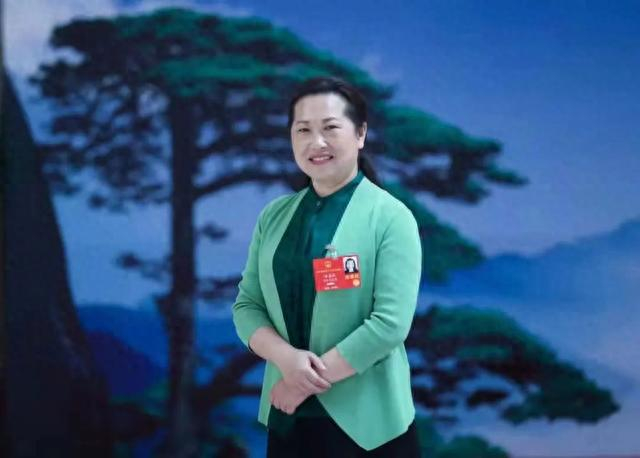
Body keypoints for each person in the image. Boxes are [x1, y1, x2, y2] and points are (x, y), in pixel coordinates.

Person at [232, 76, 422, 457]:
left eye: (330, 128)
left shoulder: (390, 217)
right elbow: (247, 306)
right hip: (288, 420)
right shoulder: (274, 217)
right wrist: (287, 360)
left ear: (360, 133)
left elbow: (389, 324)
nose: (316, 142)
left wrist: (300, 383)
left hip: (370, 427)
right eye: (303, 130)